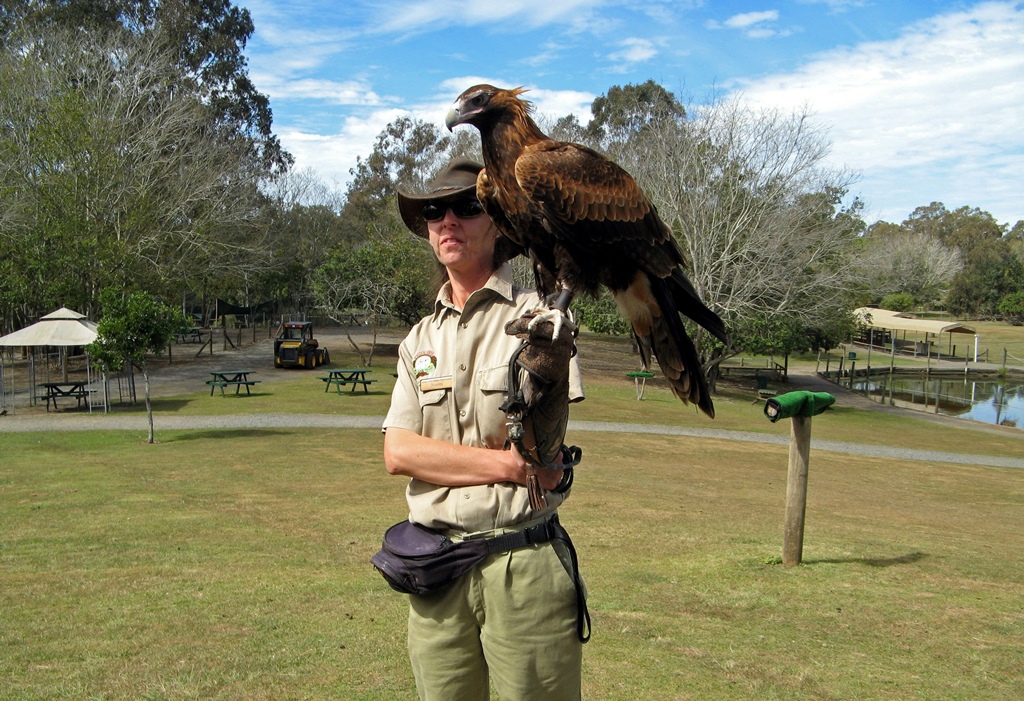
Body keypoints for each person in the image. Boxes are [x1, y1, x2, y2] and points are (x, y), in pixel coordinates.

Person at [382, 158, 587, 700]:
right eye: (434, 210)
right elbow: (399, 452)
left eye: (467, 206)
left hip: (522, 564)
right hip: (436, 569)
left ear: (497, 221)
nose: (448, 220)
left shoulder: (542, 319)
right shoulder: (417, 340)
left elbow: (546, 456)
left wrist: (520, 461)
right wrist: (504, 465)